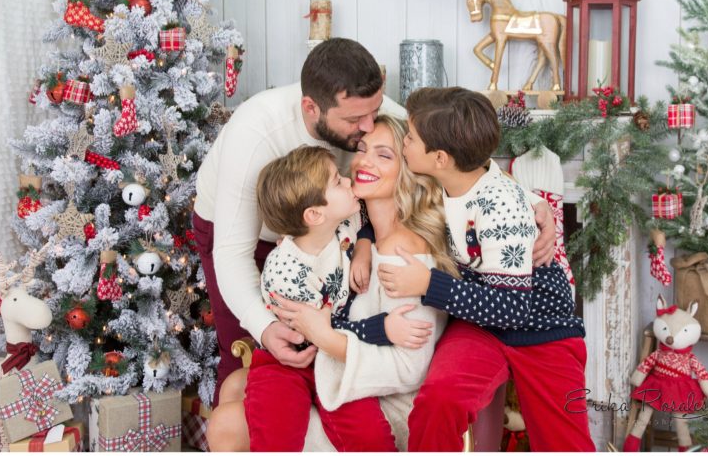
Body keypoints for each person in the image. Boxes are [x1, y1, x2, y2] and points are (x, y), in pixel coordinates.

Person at [192, 38, 559, 405]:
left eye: (375, 111)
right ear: (311, 108)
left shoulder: (365, 112)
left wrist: (529, 200)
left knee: (319, 348)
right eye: (355, 120)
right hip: (251, 236)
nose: (368, 125)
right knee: (247, 358)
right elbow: (231, 254)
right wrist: (264, 326)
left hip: (334, 231)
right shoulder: (255, 134)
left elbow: (455, 157)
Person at [207, 116, 451, 450]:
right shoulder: (327, 238)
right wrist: (363, 248)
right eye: (362, 148)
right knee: (240, 389)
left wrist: (362, 248)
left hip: (367, 386)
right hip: (311, 358)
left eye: (384, 154)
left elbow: (405, 367)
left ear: (409, 168)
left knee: (229, 420)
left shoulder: (396, 248)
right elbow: (312, 328)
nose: (361, 163)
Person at [378, 87, 595, 452]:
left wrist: (430, 283)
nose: (404, 143)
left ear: (441, 158)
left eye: (410, 138)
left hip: (541, 326)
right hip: (481, 319)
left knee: (566, 444)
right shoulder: (458, 174)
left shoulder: (500, 206)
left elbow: (512, 310)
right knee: (438, 401)